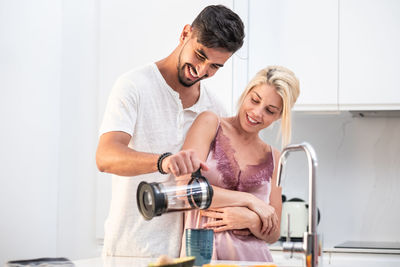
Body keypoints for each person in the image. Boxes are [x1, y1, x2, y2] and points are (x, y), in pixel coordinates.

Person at [95, 5, 245, 257]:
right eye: (199, 55)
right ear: (185, 33)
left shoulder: (216, 109)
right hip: (131, 251)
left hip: (190, 254)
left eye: (215, 66)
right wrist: (163, 162)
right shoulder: (134, 86)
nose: (202, 71)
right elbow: (106, 156)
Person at [174, 66, 300, 261]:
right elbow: (185, 190)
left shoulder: (275, 157)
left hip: (255, 259)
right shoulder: (210, 123)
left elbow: (274, 234)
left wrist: (250, 220)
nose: (257, 113)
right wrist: (250, 201)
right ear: (246, 93)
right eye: (255, 100)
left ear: (278, 116)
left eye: (270, 110)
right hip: (204, 257)